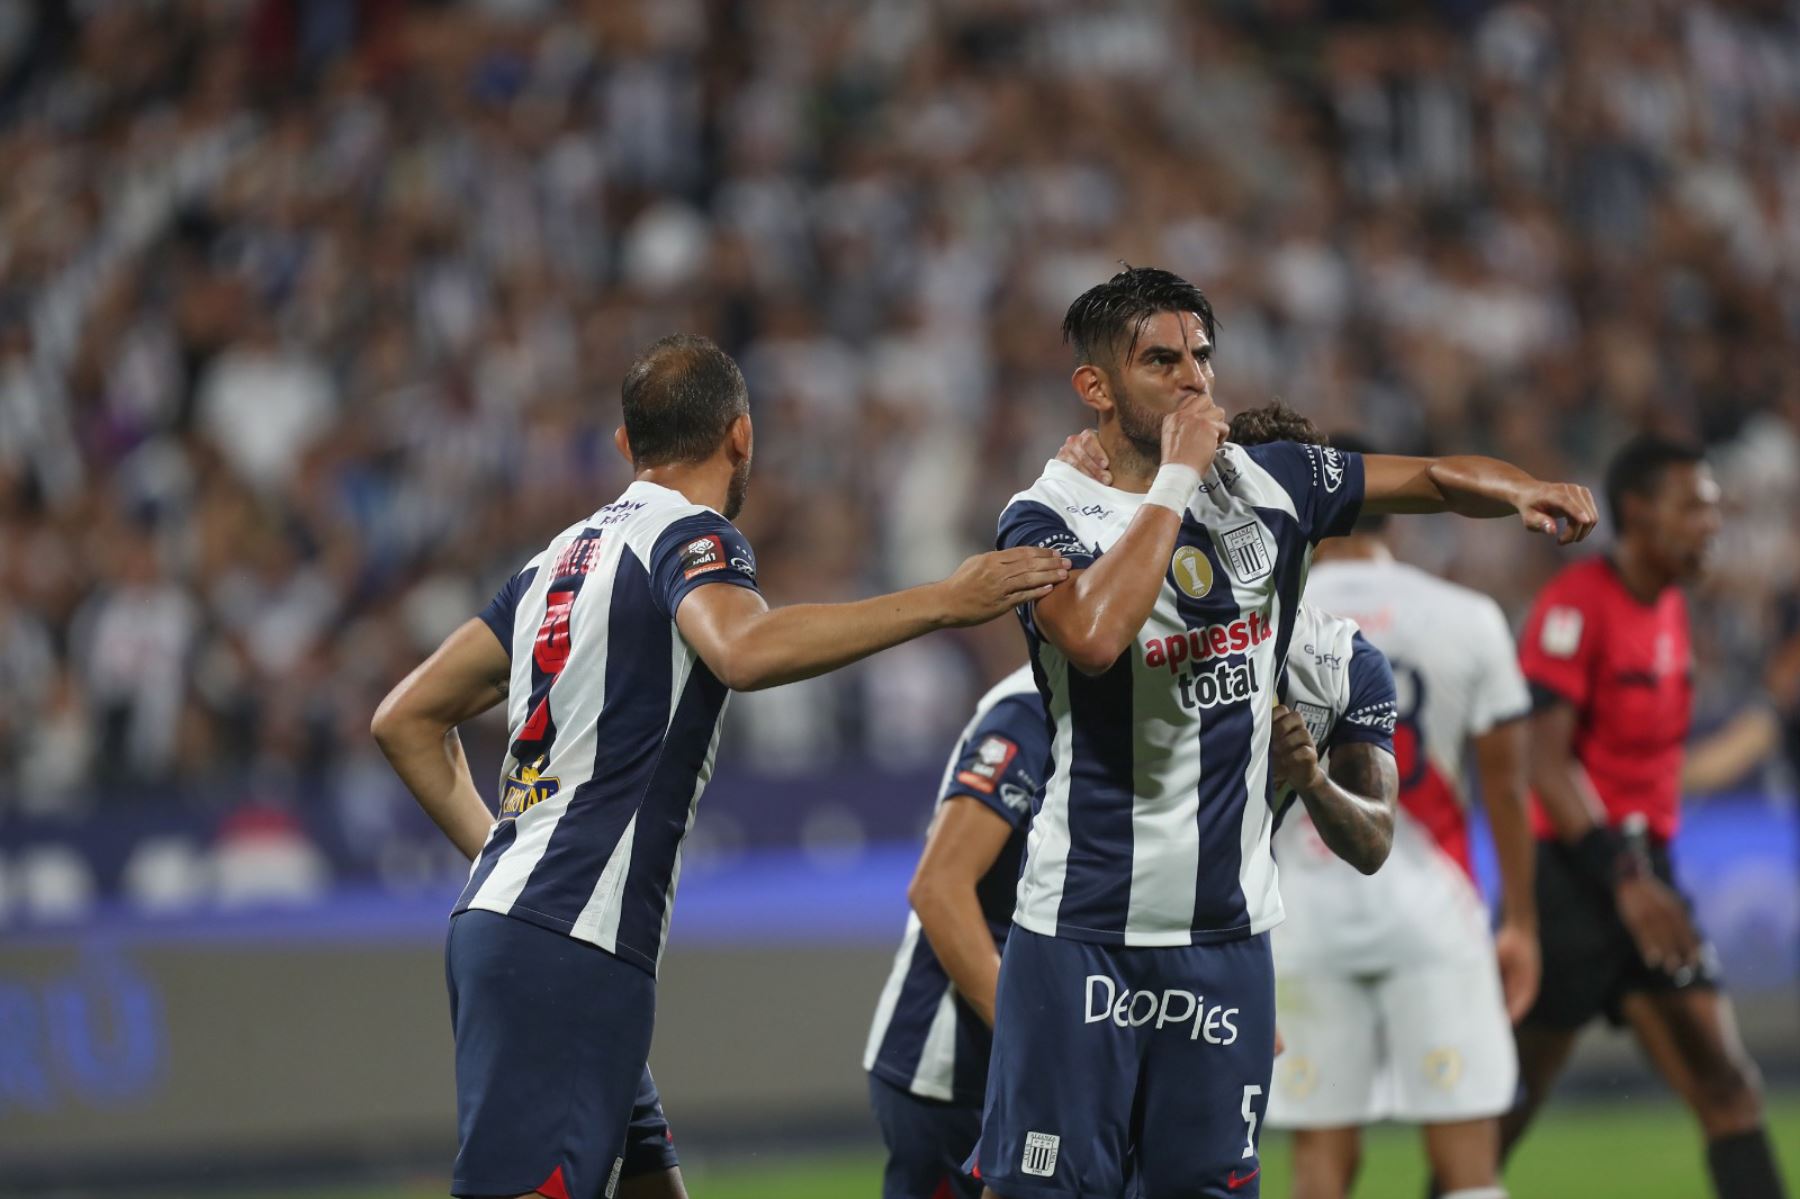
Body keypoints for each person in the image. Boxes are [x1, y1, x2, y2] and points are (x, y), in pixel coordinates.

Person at [370, 334, 1069, 1199]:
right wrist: (943, 601)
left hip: (537, 928)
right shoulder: (692, 533)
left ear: (627, 445)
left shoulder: (554, 560)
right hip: (567, 943)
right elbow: (740, 647)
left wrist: (501, 862)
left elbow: (405, 718)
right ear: (741, 435)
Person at [968, 265, 1596, 1199]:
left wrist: (1517, 488)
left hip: (1230, 934)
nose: (1194, 380)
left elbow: (1425, 476)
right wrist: (1175, 476)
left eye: (1202, 357)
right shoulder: (1047, 515)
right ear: (1096, 388)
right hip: (1080, 924)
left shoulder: (1272, 483)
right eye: (1161, 361)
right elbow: (1095, 637)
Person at [862, 406, 1400, 1199]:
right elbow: (940, 890)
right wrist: (1046, 1030)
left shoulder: (1293, 676)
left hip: (1118, 1017)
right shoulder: (1048, 701)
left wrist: (1199, 1002)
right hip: (961, 1054)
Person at [1256, 409, 1539, 1199]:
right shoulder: (1468, 617)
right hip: (1430, 905)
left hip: (1300, 908)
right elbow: (1506, 787)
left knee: (1322, 1162)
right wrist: (1520, 919)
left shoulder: (1261, 625)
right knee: (1465, 1160)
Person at [1499, 434, 1790, 1199]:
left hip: (1646, 877)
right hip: (1573, 878)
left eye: (1716, 506)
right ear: (1638, 510)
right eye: (1695, 505)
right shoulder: (1575, 606)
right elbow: (1544, 762)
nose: (1713, 523)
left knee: (1729, 1087)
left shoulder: (1670, 609)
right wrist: (1622, 875)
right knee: (1499, 1116)